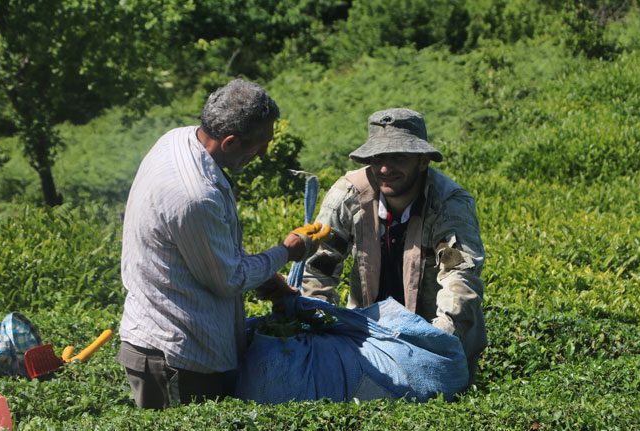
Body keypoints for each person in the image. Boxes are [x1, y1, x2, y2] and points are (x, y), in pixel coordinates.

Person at [116, 79, 329, 410]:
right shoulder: (195, 195)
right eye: (260, 145)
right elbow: (227, 280)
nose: (264, 153)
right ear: (229, 142)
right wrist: (286, 252)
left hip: (184, 349)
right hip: (176, 358)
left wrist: (266, 279)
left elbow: (210, 246)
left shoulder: (180, 139)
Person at [302, 108, 487, 386]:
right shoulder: (348, 195)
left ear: (423, 161)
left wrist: (440, 338)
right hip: (369, 336)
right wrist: (321, 325)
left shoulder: (448, 204)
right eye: (378, 158)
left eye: (398, 157)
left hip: (437, 336)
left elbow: (459, 278)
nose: (385, 169)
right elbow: (320, 268)